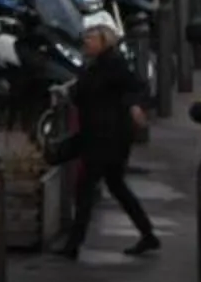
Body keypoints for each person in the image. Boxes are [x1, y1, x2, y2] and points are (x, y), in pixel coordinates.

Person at [54, 13, 159, 258]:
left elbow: (135, 87)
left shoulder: (113, 64)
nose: (86, 43)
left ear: (104, 42)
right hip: (99, 134)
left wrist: (134, 106)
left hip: (108, 136)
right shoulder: (95, 64)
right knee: (116, 186)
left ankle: (73, 244)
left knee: (86, 187)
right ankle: (148, 234)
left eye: (91, 39)